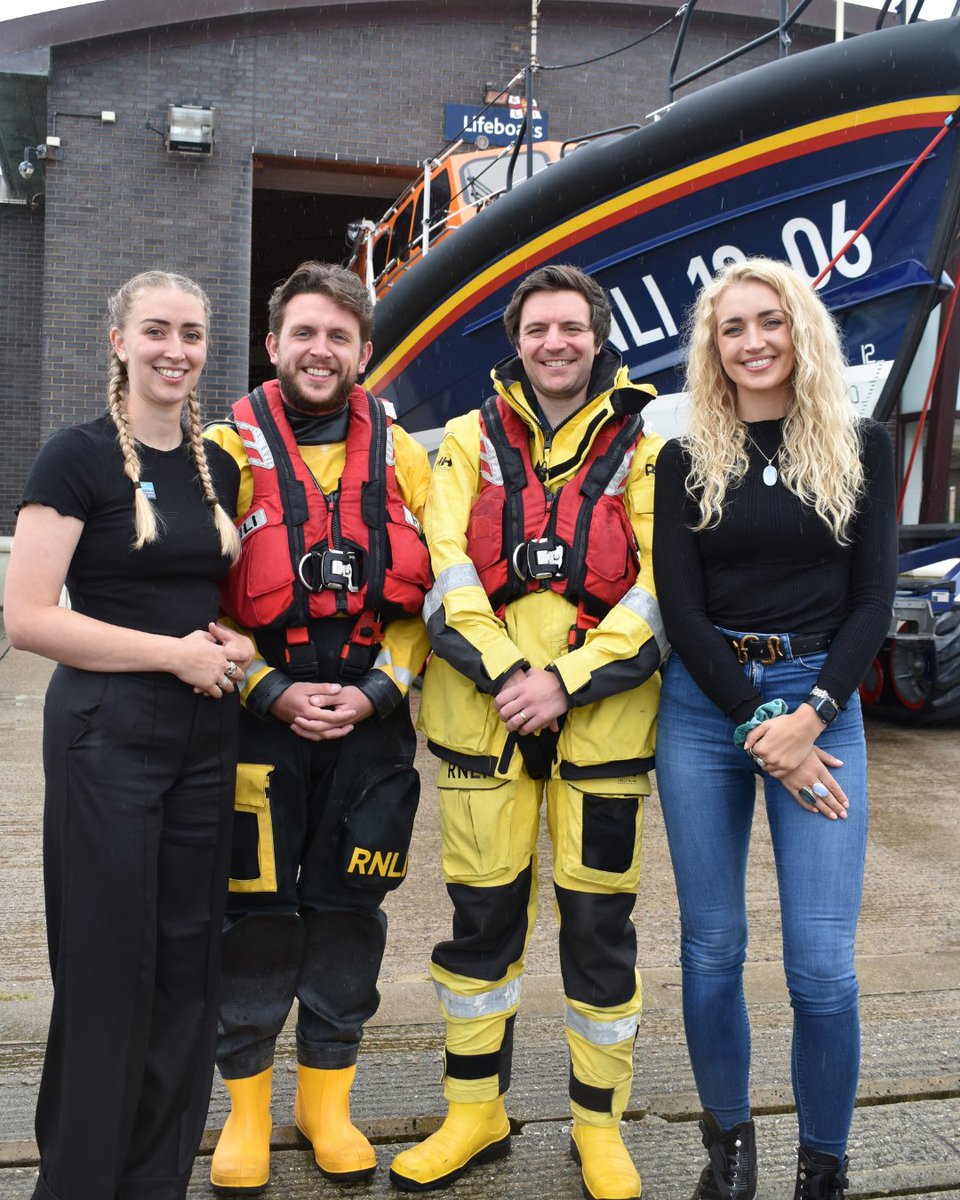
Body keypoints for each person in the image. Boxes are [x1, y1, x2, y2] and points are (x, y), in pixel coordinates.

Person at [389, 264, 666, 1200]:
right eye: (539, 328)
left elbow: (663, 592)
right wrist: (516, 678)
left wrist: (567, 682)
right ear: (517, 340)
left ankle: (600, 1128)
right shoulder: (460, 444)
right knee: (480, 931)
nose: (556, 343)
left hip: (604, 734)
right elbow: (443, 571)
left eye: (573, 328)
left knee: (599, 931)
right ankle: (476, 1113)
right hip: (483, 729)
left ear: (598, 337)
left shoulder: (651, 451)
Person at [4, 270, 253, 1200]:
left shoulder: (212, 466)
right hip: (106, 733)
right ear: (119, 340)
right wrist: (169, 655)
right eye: (156, 330)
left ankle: (155, 1184)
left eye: (191, 333)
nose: (175, 350)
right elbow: (26, 617)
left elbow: (206, 602)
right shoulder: (72, 459)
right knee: (110, 972)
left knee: (188, 970)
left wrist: (229, 642)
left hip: (202, 735)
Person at [652, 257, 897, 1200]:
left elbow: (873, 597)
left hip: (820, 695)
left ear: (802, 331)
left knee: (822, 966)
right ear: (712, 349)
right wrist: (764, 725)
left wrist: (812, 716)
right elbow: (682, 605)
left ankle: (822, 1167)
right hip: (709, 708)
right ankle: (732, 1151)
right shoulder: (684, 458)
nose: (753, 342)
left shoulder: (861, 445)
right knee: (711, 947)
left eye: (770, 322)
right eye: (731, 328)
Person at [203, 260, 432, 1191]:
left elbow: (440, 590)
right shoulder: (218, 451)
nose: (320, 350)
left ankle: (325, 1105)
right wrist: (267, 687)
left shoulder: (405, 455)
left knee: (349, 914)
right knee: (249, 917)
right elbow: (188, 595)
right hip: (257, 720)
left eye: (340, 335)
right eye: (304, 332)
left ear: (364, 352)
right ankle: (247, 1110)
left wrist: (382, 688)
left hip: (370, 723)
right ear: (272, 345)